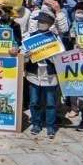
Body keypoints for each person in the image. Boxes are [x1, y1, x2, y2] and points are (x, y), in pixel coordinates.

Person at [25, 10, 60, 138]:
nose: (41, 24)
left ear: (50, 23)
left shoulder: (55, 38)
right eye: (39, 21)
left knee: (51, 102)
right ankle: (36, 123)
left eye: (44, 22)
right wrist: (26, 56)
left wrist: (51, 55)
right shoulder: (30, 36)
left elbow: (61, 57)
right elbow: (22, 55)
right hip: (34, 74)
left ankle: (50, 126)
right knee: (34, 101)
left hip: (50, 75)